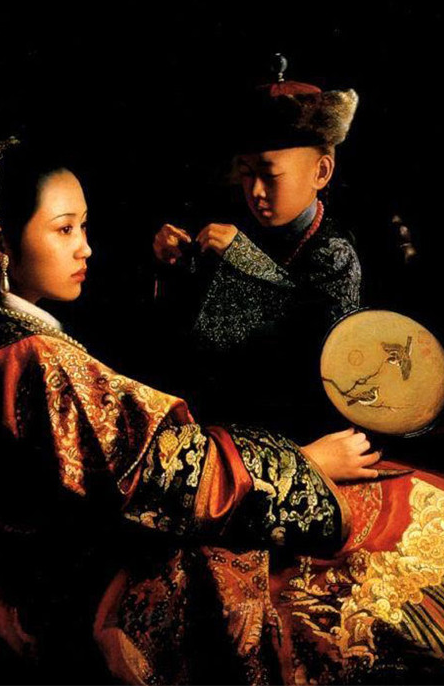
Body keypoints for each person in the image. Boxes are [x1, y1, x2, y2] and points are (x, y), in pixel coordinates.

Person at [0, 136, 382, 682]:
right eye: (65, 229)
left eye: (85, 227)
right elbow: (176, 474)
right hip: (70, 585)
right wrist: (307, 462)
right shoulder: (31, 358)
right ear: (0, 244)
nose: (86, 249)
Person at [151, 61, 363, 441]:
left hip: (298, 436)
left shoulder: (335, 254)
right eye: (247, 174)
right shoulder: (237, 227)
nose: (256, 192)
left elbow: (316, 363)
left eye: (270, 175)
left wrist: (244, 260)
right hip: (220, 423)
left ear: (321, 172)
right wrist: (174, 263)